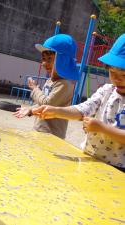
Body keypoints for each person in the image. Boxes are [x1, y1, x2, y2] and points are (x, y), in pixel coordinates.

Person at [33, 34, 125, 172]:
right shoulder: (107, 91)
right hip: (91, 157)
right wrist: (56, 111)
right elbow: (82, 109)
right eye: (112, 72)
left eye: (124, 75)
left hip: (118, 168)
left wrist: (102, 128)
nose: (117, 79)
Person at [13, 34, 79, 139]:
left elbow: (47, 103)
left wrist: (35, 89)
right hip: (40, 130)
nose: (44, 63)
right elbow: (42, 105)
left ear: (63, 61)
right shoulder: (50, 81)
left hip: (52, 135)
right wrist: (30, 110)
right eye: (43, 59)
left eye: (49, 59)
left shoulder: (64, 84)